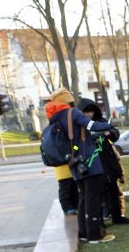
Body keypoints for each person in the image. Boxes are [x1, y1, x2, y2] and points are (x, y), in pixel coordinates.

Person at [45, 88, 117, 242]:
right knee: (93, 198)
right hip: (89, 161)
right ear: (68, 101)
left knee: (83, 198)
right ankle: (95, 235)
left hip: (74, 163)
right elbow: (91, 126)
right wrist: (108, 125)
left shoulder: (56, 118)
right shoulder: (73, 113)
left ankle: (83, 233)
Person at [78, 98, 129, 225]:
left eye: (91, 112)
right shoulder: (80, 126)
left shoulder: (101, 122)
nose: (89, 115)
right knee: (98, 194)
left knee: (113, 190)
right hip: (93, 164)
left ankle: (117, 216)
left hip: (108, 162)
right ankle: (99, 220)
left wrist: (108, 133)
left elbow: (114, 133)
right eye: (86, 112)